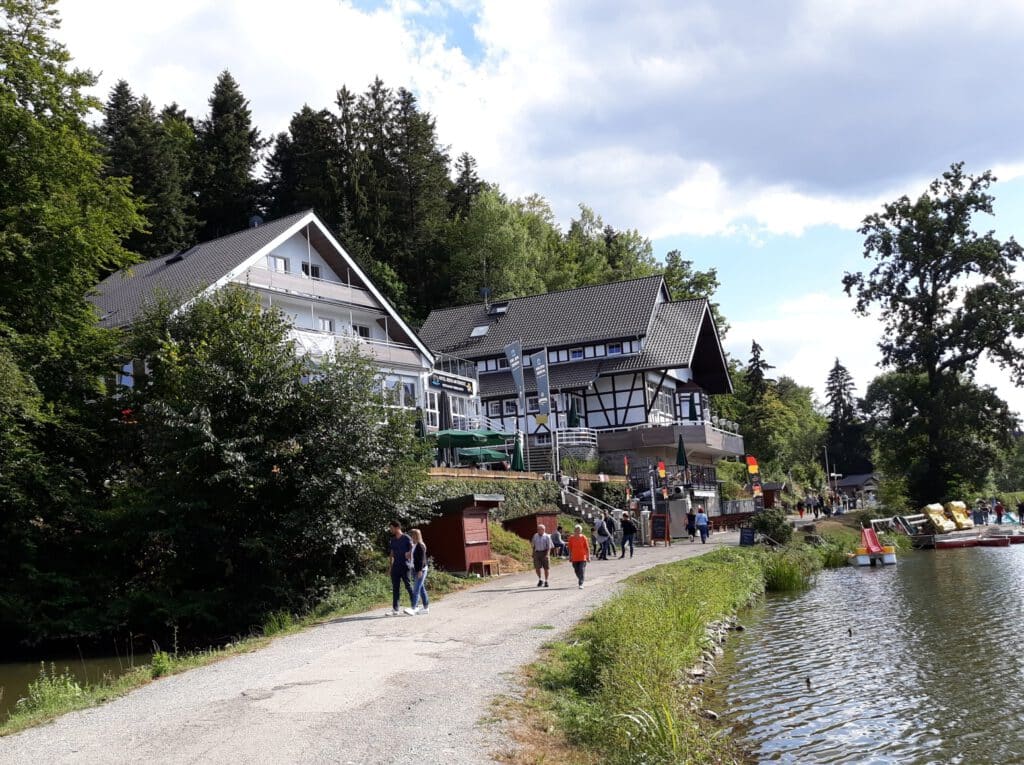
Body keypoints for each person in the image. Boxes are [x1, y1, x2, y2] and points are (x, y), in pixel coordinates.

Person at [387, 521, 414, 616]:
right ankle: (395, 609)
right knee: (395, 588)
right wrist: (390, 567)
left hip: (405, 566)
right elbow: (391, 553)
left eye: (391, 528)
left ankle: (414, 606)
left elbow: (413, 549)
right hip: (396, 567)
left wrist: (409, 553)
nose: (390, 530)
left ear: (397, 527)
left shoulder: (406, 538)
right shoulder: (393, 540)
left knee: (408, 586)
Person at [403, 528, 430, 615]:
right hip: (414, 569)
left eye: (412, 535)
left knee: (416, 589)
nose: (411, 537)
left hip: (420, 570)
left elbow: (422, 560)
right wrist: (408, 554)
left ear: (417, 536)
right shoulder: (414, 545)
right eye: (411, 535)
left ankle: (413, 608)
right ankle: (426, 608)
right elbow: (414, 557)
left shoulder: (421, 545)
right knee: (421, 589)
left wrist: (419, 571)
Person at [566, 524, 590, 588]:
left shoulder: (583, 537)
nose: (577, 531)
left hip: (582, 557)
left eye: (579, 530)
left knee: (581, 569)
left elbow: (587, 548)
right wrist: (570, 556)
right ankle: (580, 578)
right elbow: (570, 548)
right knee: (576, 570)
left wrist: (588, 557)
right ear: (574, 530)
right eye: (576, 530)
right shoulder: (571, 538)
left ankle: (581, 583)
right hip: (574, 557)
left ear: (580, 531)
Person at [531, 523, 554, 587]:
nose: (538, 531)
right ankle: (540, 579)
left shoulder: (547, 536)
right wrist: (533, 553)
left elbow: (549, 547)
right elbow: (533, 545)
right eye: (538, 529)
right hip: (537, 552)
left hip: (545, 552)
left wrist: (547, 554)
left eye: (540, 529)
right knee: (537, 568)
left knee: (546, 568)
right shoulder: (535, 535)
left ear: (543, 530)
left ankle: (546, 581)